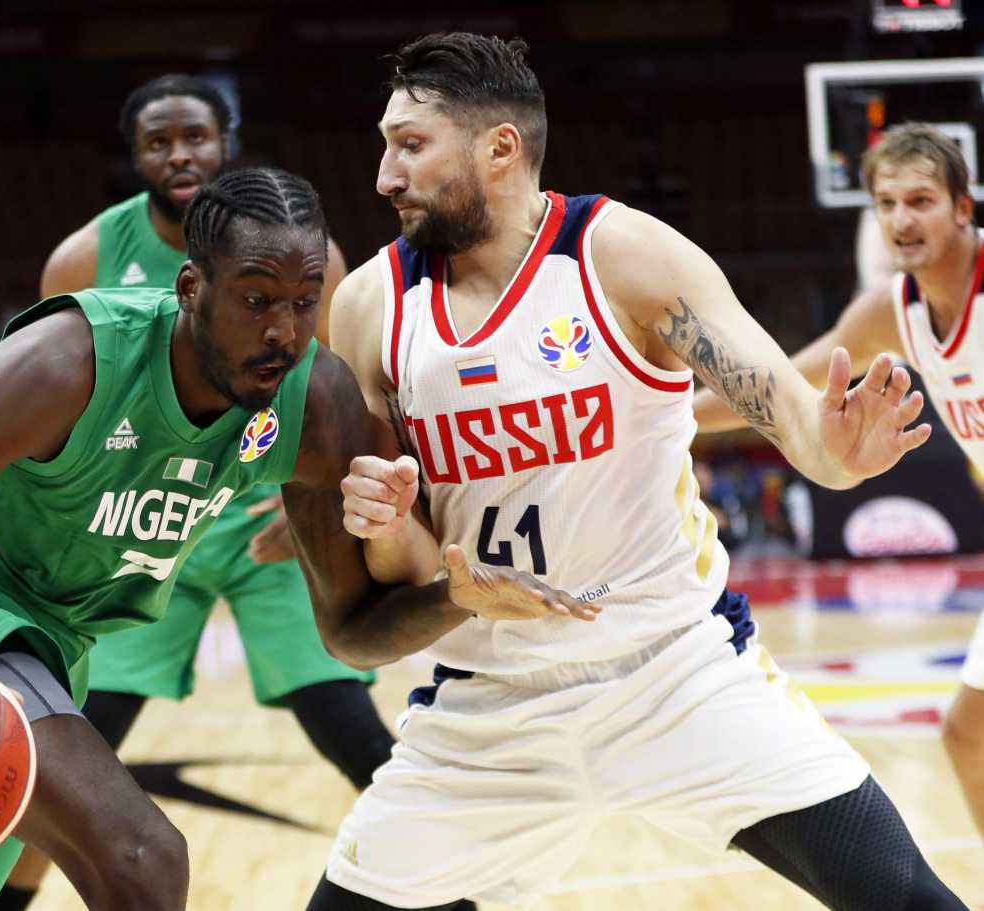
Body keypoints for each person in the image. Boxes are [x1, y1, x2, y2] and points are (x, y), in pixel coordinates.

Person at [309, 34, 964, 911]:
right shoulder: (369, 305)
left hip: (677, 672)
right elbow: (415, 565)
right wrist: (387, 523)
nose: (385, 175)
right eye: (386, 145)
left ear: (500, 147)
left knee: (905, 896)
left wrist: (837, 456)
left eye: (411, 146)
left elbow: (796, 420)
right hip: (490, 702)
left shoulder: (623, 256)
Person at [0, 168, 528, 911]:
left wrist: (460, 596)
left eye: (304, 301)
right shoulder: (66, 361)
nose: (283, 330)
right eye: (256, 300)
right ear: (190, 288)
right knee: (143, 857)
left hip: (55, 641)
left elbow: (353, 635)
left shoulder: (313, 402)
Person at [1, 75, 398, 910]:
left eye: (196, 138)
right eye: (159, 142)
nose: (179, 155)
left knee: (352, 732)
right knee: (71, 759)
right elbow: (50, 405)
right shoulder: (83, 257)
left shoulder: (302, 251)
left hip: (258, 525)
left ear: (226, 143)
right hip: (138, 533)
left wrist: (311, 505)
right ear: (134, 154)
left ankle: (447, 885)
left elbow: (340, 397)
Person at [696, 122, 984, 840]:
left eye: (920, 200)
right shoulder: (892, 310)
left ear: (963, 207)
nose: (901, 219)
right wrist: (669, 416)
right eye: (887, 204)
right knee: (968, 733)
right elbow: (787, 382)